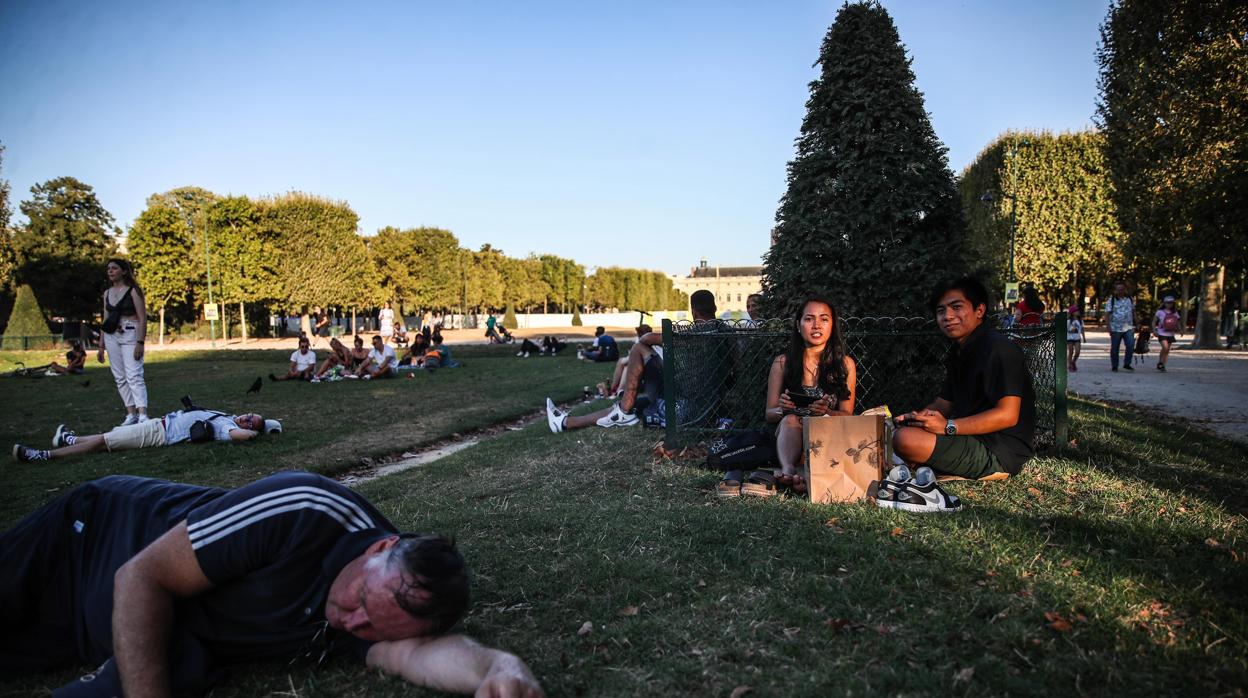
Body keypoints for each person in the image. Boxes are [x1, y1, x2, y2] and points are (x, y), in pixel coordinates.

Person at [0, 471, 544, 697]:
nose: (350, 625)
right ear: (379, 549)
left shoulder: (387, 607)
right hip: (87, 543)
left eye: (371, 627)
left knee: (180, 663)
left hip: (107, 628)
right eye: (360, 604)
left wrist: (497, 666)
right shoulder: (306, 510)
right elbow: (140, 575)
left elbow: (419, 656)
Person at [892, 277, 1036, 486]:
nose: (948, 316)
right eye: (941, 311)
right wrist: (920, 418)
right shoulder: (960, 351)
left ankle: (980, 470)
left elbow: (1008, 415)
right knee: (897, 433)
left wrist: (948, 427)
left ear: (980, 310)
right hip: (969, 437)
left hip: (999, 451)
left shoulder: (999, 349)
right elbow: (943, 404)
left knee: (904, 440)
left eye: (956, 307)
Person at [546, 291, 719, 432]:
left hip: (681, 406)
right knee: (630, 408)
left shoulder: (693, 334)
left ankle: (623, 409)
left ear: (693, 311)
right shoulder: (724, 331)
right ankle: (565, 422)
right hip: (707, 405)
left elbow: (647, 338)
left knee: (639, 348)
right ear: (715, 308)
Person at [764, 297, 857, 494]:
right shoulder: (782, 363)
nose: (816, 325)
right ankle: (790, 470)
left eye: (824, 319)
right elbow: (769, 413)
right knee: (790, 420)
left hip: (827, 439)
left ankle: (804, 474)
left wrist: (826, 413)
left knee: (822, 427)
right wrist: (783, 408)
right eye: (809, 319)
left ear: (833, 325)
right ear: (798, 325)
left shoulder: (845, 364)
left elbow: (848, 415)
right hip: (790, 441)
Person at [11, 409, 278, 463]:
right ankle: (68, 440)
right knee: (111, 435)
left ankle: (44, 455)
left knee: (103, 443)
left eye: (250, 423)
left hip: (158, 433)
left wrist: (257, 433)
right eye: (249, 415)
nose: (245, 419)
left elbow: (240, 436)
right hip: (159, 424)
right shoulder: (226, 416)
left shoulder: (226, 428)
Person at [99, 258, 149, 426]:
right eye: (108, 269)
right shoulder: (107, 293)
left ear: (124, 271)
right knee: (119, 377)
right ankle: (131, 413)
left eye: (114, 268)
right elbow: (105, 319)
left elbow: (142, 318)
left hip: (130, 332)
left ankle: (142, 413)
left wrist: (140, 342)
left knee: (134, 374)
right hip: (111, 335)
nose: (110, 271)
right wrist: (101, 346)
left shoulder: (133, 291)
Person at [596, 325, 652, 398]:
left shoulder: (645, 342)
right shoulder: (645, 341)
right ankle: (616, 389)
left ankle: (616, 389)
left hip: (647, 366)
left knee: (626, 366)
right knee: (624, 364)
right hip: (643, 364)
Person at [1103, 281, 1136, 372]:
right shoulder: (1111, 300)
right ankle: (1114, 365)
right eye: (1118, 290)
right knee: (1115, 347)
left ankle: (1127, 363)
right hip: (1116, 327)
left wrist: (1137, 322)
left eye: (1122, 289)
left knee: (1130, 345)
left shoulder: (1130, 299)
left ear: (1125, 289)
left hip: (1128, 327)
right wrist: (1108, 326)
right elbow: (1107, 313)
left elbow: (1133, 311)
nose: (1120, 291)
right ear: (1115, 291)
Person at [1152, 295, 1181, 372]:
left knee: (1167, 350)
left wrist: (1180, 330)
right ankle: (1161, 362)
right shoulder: (1159, 312)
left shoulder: (1175, 312)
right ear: (1164, 303)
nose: (1169, 304)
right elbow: (1154, 321)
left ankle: (1162, 365)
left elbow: (1177, 322)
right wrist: (1154, 330)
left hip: (1171, 333)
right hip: (1161, 333)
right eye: (1168, 303)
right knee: (1165, 347)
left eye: (1171, 303)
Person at [1066, 306, 1085, 372]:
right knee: (1071, 352)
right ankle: (1070, 365)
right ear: (1072, 313)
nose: (1078, 312)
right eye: (1076, 311)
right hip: (1069, 338)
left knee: (1077, 351)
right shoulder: (1068, 321)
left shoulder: (1080, 321)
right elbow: (1066, 330)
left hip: (1077, 338)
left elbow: (1082, 329)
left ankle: (1073, 362)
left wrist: (1084, 338)